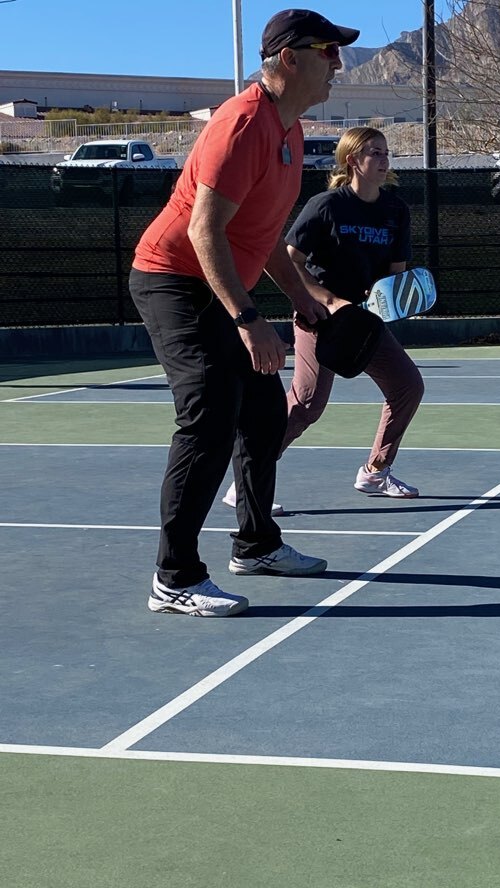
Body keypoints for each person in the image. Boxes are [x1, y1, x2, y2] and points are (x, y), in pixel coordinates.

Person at [129, 9, 360, 617]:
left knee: (260, 413)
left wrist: (302, 299)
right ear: (290, 58)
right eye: (329, 51)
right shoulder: (242, 126)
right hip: (172, 279)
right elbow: (206, 233)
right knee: (208, 412)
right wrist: (248, 321)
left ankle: (255, 544)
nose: (338, 62)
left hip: (221, 278)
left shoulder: (289, 130)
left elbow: (262, 237)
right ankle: (174, 576)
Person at [222, 125, 424, 512]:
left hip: (364, 321)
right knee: (307, 404)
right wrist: (326, 300)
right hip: (318, 317)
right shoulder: (326, 205)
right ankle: (245, 483)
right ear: (353, 161)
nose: (384, 160)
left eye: (386, 153)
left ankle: (375, 472)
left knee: (407, 386)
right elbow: (288, 261)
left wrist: (389, 296)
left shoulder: (396, 210)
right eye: (375, 153)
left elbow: (395, 273)